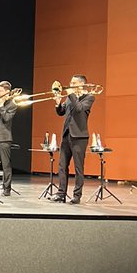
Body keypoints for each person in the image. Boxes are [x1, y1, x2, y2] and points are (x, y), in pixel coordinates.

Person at [53, 75, 95, 205]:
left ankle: (77, 196)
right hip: (66, 135)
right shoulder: (70, 97)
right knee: (62, 166)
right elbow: (61, 112)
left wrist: (71, 94)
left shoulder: (89, 97)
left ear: (81, 84)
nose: (70, 84)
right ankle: (61, 194)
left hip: (79, 137)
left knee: (78, 168)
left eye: (73, 82)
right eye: (70, 82)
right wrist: (58, 103)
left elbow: (79, 109)